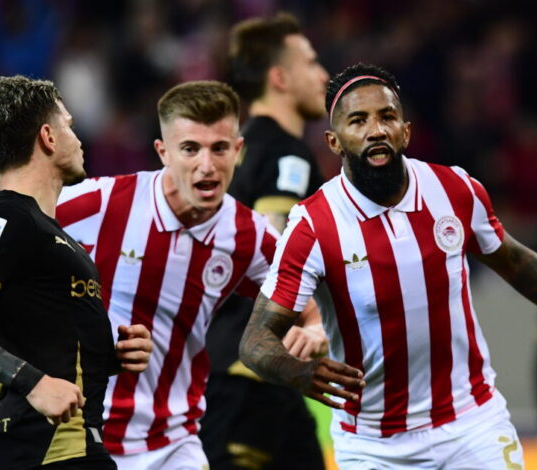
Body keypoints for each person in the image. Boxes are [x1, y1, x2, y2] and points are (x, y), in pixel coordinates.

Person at [238, 63, 537, 470]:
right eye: (358, 121)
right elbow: (256, 340)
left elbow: (516, 262)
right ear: (334, 142)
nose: (376, 130)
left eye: (387, 116)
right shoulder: (313, 225)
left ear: (405, 131)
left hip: (471, 424)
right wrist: (301, 373)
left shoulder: (455, 190)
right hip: (374, 444)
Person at [55, 80, 326, 470]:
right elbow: (6, 230)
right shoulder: (102, 202)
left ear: (238, 150)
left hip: (174, 443)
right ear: (163, 152)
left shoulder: (249, 235)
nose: (207, 165)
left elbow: (305, 302)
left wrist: (315, 329)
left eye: (219, 148)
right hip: (83, 437)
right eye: (190, 149)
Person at [0, 75, 152, 470]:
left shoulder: (49, 234)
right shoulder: (8, 218)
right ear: (48, 136)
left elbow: (40, 337)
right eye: (69, 126)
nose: (79, 140)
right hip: (46, 448)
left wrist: (111, 357)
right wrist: (34, 382)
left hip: (72, 446)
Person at [199, 13, 329, 470]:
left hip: (256, 367)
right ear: (279, 78)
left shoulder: (240, 151)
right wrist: (314, 319)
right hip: (249, 370)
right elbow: (275, 243)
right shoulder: (286, 154)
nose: (323, 75)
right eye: (310, 63)